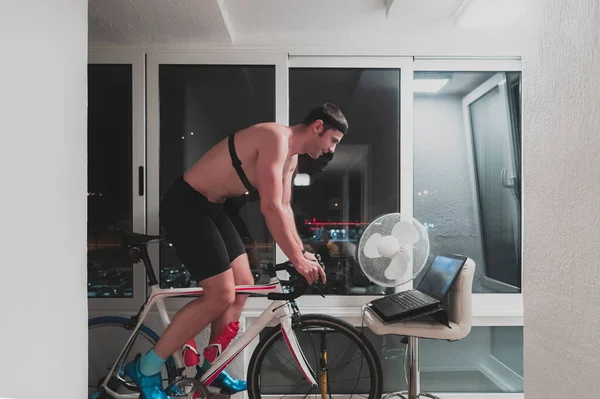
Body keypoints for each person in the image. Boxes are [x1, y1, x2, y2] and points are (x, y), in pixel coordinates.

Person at [123, 103, 348, 399]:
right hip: (187, 204)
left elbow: (283, 208)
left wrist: (301, 252)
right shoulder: (275, 139)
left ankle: (210, 371)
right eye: (332, 140)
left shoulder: (291, 160)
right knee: (220, 294)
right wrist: (294, 256)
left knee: (243, 286)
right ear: (317, 127)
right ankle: (146, 368)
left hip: (214, 207)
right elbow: (268, 207)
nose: (331, 150)